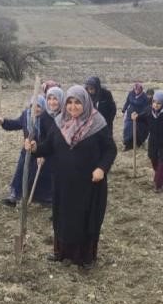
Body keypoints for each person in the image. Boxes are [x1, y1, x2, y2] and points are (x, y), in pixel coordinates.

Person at [26, 85, 117, 270]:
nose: (73, 107)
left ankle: (84, 258)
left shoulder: (97, 123)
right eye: (69, 102)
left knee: (85, 219)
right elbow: (48, 147)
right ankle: (61, 253)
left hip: (89, 184)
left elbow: (110, 149)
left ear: (85, 102)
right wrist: (35, 148)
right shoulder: (59, 122)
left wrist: (102, 168)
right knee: (63, 217)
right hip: (63, 182)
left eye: (77, 102)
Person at [0, 95, 52, 207]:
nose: (35, 109)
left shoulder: (46, 119)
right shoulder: (25, 115)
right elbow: (15, 124)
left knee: (39, 174)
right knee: (21, 171)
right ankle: (14, 196)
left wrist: (43, 155)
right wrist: (3, 122)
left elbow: (49, 139)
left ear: (43, 107)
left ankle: (41, 198)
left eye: (38, 107)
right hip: (27, 150)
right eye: (32, 106)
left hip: (41, 151)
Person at [121, 82, 150, 151]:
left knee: (139, 130)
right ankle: (127, 145)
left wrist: (139, 115)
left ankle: (139, 143)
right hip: (130, 115)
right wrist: (124, 109)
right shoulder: (131, 93)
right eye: (135, 89)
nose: (136, 91)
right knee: (128, 129)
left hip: (140, 116)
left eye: (138, 90)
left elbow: (146, 108)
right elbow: (127, 102)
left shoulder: (144, 97)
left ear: (141, 89)